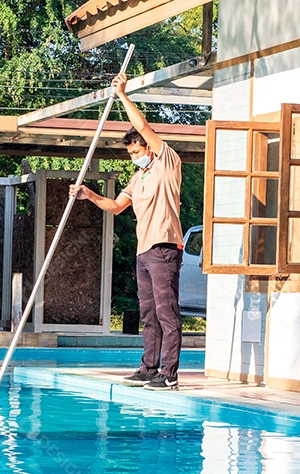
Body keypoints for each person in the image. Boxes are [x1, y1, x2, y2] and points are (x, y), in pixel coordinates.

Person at [70, 72, 184, 390]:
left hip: (165, 247)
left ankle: (170, 374)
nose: (134, 158)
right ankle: (149, 368)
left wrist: (121, 95)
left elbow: (144, 126)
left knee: (166, 312)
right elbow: (117, 206)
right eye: (131, 154)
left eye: (137, 152)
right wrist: (88, 195)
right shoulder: (138, 179)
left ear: (148, 148)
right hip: (144, 252)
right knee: (148, 313)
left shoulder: (166, 162)